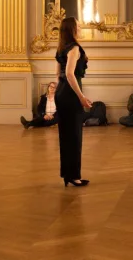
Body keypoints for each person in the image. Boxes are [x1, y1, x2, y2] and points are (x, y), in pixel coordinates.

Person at [54, 17, 92, 187]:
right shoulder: (75, 48)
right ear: (73, 29)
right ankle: (74, 176)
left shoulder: (61, 48)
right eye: (78, 25)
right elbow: (70, 74)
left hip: (61, 92)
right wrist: (81, 97)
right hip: (70, 93)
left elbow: (58, 74)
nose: (81, 27)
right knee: (75, 135)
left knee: (65, 135)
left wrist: (60, 92)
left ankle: (67, 174)